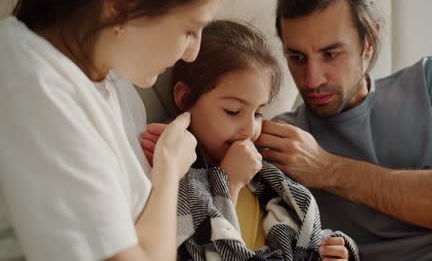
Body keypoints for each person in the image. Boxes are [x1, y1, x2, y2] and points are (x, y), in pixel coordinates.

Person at [0, 0, 222, 260]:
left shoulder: (117, 85)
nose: (192, 53)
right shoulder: (32, 88)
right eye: (190, 30)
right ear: (121, 5)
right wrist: (170, 169)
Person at [252, 0, 432, 260]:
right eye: (296, 57)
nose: (312, 80)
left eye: (330, 54)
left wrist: (327, 169)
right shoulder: (282, 140)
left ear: (369, 43)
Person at [142, 19, 359, 261]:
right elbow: (199, 251)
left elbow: (304, 235)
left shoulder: (268, 177)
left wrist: (338, 250)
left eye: (258, 113)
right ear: (185, 98)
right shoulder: (181, 175)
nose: (249, 129)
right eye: (233, 111)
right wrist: (229, 183)